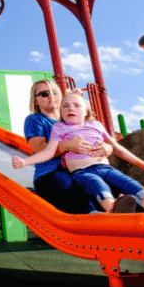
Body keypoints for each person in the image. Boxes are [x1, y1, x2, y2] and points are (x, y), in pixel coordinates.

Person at [13, 90, 144, 231]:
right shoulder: (57, 128)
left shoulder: (96, 125)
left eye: (76, 105)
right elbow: (47, 152)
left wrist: (142, 163)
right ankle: (114, 214)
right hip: (83, 172)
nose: (70, 108)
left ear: (86, 110)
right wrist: (25, 162)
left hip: (106, 168)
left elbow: (117, 148)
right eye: (65, 106)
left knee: (131, 185)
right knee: (100, 189)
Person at [22, 79, 109, 214]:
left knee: (103, 181)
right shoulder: (35, 120)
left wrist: (108, 149)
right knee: (69, 186)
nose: (51, 96)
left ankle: (120, 207)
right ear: (36, 100)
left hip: (80, 168)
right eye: (44, 94)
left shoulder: (72, 118)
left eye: (55, 92)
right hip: (51, 173)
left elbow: (97, 138)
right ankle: (94, 216)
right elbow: (39, 148)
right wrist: (67, 145)